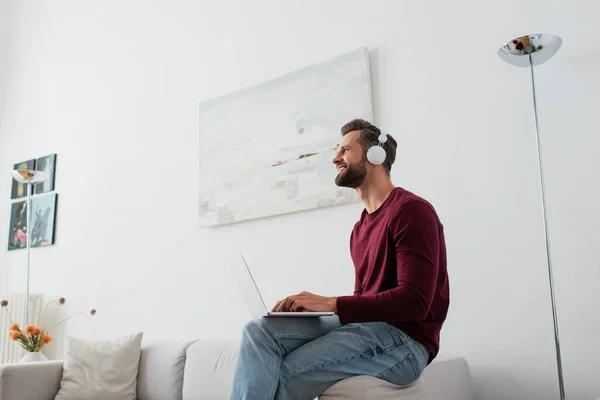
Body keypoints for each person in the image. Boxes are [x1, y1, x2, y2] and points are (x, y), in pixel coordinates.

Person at [229, 119, 449, 400]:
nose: (335, 158)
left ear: (374, 156)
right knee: (259, 331)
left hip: (404, 342)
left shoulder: (411, 211)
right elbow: (364, 299)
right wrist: (321, 312)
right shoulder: (360, 229)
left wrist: (331, 303)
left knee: (278, 376)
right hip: (368, 330)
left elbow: (416, 303)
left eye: (345, 150)